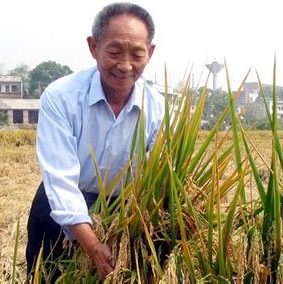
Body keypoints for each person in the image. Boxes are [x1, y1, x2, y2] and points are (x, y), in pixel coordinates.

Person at [26, 2, 164, 281]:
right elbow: (60, 180)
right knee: (47, 275)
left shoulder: (158, 107)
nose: (125, 66)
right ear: (93, 47)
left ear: (149, 53)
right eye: (114, 52)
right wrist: (92, 245)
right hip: (62, 204)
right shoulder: (61, 96)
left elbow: (160, 177)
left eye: (137, 54)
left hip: (124, 209)